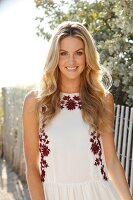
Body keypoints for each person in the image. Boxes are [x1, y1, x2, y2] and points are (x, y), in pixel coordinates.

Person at [22, 21, 133, 200]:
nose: (71, 61)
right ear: (54, 57)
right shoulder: (35, 102)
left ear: (87, 56)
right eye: (63, 53)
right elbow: (32, 167)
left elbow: (111, 161)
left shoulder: (103, 100)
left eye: (78, 53)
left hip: (98, 194)